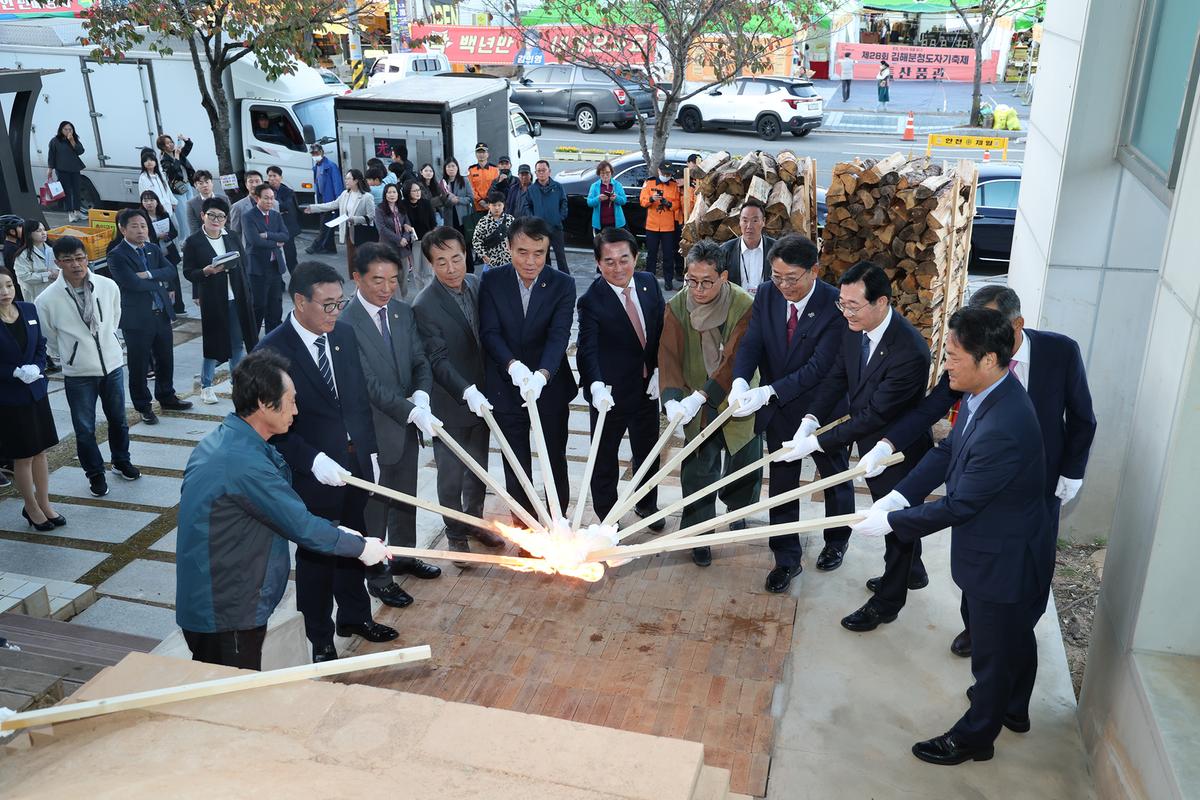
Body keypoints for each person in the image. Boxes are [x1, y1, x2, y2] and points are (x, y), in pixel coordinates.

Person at [850, 307, 1054, 766]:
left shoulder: (1005, 425)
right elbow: (948, 451)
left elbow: (961, 505)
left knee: (992, 652)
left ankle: (976, 736)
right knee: (1012, 637)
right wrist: (899, 496)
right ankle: (1013, 708)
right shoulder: (987, 396)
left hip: (1003, 556)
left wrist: (894, 523)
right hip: (1003, 545)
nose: (946, 366)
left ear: (988, 360)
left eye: (954, 357)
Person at [861, 285, 1096, 658]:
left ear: (1015, 325)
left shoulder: (1059, 352)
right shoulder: (971, 364)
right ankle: (978, 628)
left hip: (1042, 481)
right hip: (981, 481)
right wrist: (888, 448)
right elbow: (933, 414)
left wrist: (1073, 470)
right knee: (978, 560)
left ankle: (1014, 637)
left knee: (1030, 566)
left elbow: (1082, 417)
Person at [175, 349, 391, 670]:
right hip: (226, 613)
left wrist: (338, 534)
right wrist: (361, 548)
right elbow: (302, 527)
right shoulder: (243, 463)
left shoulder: (228, 443)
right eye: (290, 401)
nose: (296, 410)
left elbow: (277, 512)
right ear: (264, 403)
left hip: (217, 601)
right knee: (231, 702)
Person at [255, 261, 398, 662]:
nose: (337, 312)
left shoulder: (343, 335)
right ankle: (319, 635)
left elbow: (355, 401)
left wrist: (367, 453)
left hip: (352, 467)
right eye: (328, 305)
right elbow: (268, 424)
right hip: (310, 474)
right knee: (317, 557)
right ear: (300, 302)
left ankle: (355, 617)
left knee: (355, 542)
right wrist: (312, 458)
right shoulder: (271, 351)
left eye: (340, 303)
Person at [797, 261, 932, 631]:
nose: (846, 312)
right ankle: (913, 572)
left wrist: (817, 443)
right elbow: (837, 377)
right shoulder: (854, 328)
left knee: (897, 526)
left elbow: (874, 415)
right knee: (896, 523)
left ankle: (887, 603)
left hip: (898, 449)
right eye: (842, 303)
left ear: (882, 302)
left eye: (853, 305)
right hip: (872, 445)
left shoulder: (909, 351)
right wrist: (811, 419)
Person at [728, 234, 853, 592]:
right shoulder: (768, 293)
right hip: (780, 410)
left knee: (834, 476)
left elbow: (820, 366)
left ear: (815, 270)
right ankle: (786, 558)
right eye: (777, 276)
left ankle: (837, 538)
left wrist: (769, 390)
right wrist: (740, 380)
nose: (784, 285)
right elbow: (753, 340)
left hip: (823, 408)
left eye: (792, 278)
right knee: (782, 484)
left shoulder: (834, 304)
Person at [344, 242, 442, 609]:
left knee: (405, 495)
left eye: (393, 280)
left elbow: (419, 359)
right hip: (373, 431)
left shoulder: (402, 312)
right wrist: (408, 409)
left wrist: (422, 395)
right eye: (377, 280)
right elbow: (367, 383)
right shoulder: (345, 323)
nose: (387, 289)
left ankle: (403, 555)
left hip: (406, 425)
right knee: (376, 506)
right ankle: (378, 576)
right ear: (357, 278)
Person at [659, 239, 762, 567]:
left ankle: (737, 508)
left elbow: (736, 358)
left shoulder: (743, 304)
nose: (698, 289)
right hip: (694, 402)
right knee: (698, 468)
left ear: (724, 276)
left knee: (744, 461)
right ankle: (699, 530)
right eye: (692, 280)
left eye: (707, 282)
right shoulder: (677, 306)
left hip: (736, 396)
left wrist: (703, 394)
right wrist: (673, 399)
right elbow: (669, 355)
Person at [412, 226, 504, 561]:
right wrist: (467, 392)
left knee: (479, 466)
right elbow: (436, 360)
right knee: (450, 473)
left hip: (483, 398)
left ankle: (475, 521)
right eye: (441, 262)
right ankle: (454, 533)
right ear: (430, 265)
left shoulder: (478, 286)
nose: (451, 268)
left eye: (456, 258)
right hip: (450, 400)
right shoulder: (424, 304)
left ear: (467, 254)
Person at [478, 216, 577, 518]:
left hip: (549, 387)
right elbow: (490, 332)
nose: (531, 261)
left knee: (554, 458)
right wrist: (514, 367)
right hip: (506, 386)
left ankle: (557, 523)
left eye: (539, 253)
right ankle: (526, 528)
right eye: (522, 252)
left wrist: (542, 375)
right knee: (516, 461)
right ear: (508, 248)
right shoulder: (492, 280)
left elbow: (560, 335)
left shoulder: (563, 284)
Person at [35, 236, 140, 498]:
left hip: (112, 364)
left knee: (119, 419)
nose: (76, 264)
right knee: (84, 428)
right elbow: (49, 337)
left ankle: (121, 460)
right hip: (79, 372)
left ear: (87, 258)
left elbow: (114, 317)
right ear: (58, 263)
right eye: (68, 260)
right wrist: (73, 355)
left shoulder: (106, 285)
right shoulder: (47, 299)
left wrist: (109, 344)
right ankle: (95, 474)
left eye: (80, 258)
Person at [576, 227, 665, 526]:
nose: (618, 268)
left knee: (648, 450)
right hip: (609, 395)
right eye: (609, 261)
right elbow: (586, 349)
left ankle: (647, 504)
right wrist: (596, 386)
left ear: (636, 258)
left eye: (624, 259)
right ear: (598, 264)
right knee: (604, 458)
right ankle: (608, 516)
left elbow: (662, 332)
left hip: (646, 388)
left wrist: (659, 369)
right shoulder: (591, 300)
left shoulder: (649, 284)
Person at [106, 208, 193, 425]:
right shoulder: (117, 254)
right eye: (135, 226)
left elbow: (171, 271)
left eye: (143, 226)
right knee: (139, 364)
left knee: (165, 358)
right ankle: (143, 406)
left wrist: (149, 275)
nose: (140, 230)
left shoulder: (153, 249)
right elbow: (131, 283)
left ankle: (167, 396)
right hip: (136, 318)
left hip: (160, 313)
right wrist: (157, 280)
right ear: (123, 228)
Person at [0, 271, 62, 531]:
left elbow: (40, 345)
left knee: (41, 451)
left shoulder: (27, 309)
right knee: (23, 456)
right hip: (10, 397)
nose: (5, 291)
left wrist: (37, 368)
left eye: (8, 285)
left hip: (35, 391)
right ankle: (31, 507)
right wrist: (13, 372)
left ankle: (44, 502)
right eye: (0, 288)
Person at [182, 197, 258, 405]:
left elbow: (243, 264)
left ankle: (237, 383)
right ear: (203, 216)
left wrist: (248, 292)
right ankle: (206, 386)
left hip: (236, 296)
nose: (216, 220)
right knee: (213, 343)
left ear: (226, 219)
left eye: (221, 216)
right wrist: (205, 272)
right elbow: (188, 272)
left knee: (236, 343)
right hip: (214, 299)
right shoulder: (194, 242)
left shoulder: (231, 236)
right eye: (212, 215)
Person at [304, 168, 376, 277]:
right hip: (349, 231)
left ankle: (364, 284)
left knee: (363, 261)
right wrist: (313, 208)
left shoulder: (367, 197)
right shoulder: (344, 194)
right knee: (352, 262)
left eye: (348, 179)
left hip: (362, 233)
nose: (346, 181)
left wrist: (354, 219)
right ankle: (357, 286)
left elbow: (371, 216)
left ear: (356, 180)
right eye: (345, 179)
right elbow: (332, 205)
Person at [242, 182, 290, 334]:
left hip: (275, 266)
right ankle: (252, 338)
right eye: (266, 198)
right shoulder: (248, 217)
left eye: (272, 198)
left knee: (275, 306)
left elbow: (286, 235)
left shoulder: (275, 215)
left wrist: (268, 235)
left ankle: (273, 338)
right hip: (257, 268)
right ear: (257, 198)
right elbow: (254, 241)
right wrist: (276, 243)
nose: (270, 201)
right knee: (259, 305)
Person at [140, 190, 186, 315]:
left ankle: (179, 307)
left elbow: (174, 232)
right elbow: (145, 236)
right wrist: (157, 236)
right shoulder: (142, 217)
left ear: (157, 201)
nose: (148, 203)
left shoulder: (163, 214)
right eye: (145, 200)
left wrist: (166, 236)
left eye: (151, 200)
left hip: (169, 251)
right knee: (161, 280)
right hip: (155, 253)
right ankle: (165, 307)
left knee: (174, 279)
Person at [640, 162, 683, 289]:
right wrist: (652, 199)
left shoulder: (674, 185)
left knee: (668, 255)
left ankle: (668, 281)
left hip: (668, 227)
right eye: (664, 173)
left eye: (668, 174)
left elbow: (677, 205)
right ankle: (649, 280)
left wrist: (668, 203)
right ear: (659, 171)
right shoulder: (649, 183)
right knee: (651, 255)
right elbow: (642, 201)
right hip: (652, 226)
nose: (666, 176)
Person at [720, 203, 775, 293]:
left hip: (768, 304)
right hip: (737, 304)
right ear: (739, 222)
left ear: (763, 221)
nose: (749, 226)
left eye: (755, 220)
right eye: (745, 221)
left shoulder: (775, 249)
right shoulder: (726, 250)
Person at [528, 160, 570, 274]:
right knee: (543, 257)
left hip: (556, 227)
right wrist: (533, 220)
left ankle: (565, 280)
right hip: (540, 229)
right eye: (539, 171)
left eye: (544, 170)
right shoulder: (532, 189)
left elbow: (564, 202)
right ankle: (546, 279)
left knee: (560, 256)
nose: (541, 173)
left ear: (549, 171)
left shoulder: (558, 187)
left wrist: (560, 217)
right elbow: (528, 206)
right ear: (535, 173)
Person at [374, 183, 416, 296]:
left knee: (403, 277)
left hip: (403, 248)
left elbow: (407, 224)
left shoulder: (401, 208)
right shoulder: (380, 209)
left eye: (394, 192)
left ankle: (403, 301)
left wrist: (405, 238)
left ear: (398, 194)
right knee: (391, 277)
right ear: (385, 194)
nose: (392, 195)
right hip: (388, 248)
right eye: (389, 192)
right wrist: (399, 240)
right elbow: (382, 229)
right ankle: (395, 304)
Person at [307, 145, 344, 255]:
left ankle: (315, 246)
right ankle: (329, 247)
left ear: (322, 152)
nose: (315, 155)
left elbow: (337, 184)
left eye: (316, 153)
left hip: (331, 200)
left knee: (325, 225)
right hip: (322, 199)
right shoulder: (317, 167)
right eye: (313, 154)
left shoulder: (331, 166)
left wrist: (338, 201)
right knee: (327, 224)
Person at [46, 121, 86, 223]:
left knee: (77, 190)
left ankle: (77, 211)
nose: (68, 131)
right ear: (61, 130)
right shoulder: (55, 141)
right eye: (66, 129)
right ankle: (70, 213)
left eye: (70, 129)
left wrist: (72, 141)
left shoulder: (74, 139)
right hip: (62, 169)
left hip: (75, 168)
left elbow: (80, 151)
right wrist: (50, 169)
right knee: (67, 191)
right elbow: (51, 156)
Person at [157, 133, 195, 239]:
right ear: (163, 147)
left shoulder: (177, 152)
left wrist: (185, 139)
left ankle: (192, 236)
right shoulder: (164, 160)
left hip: (186, 184)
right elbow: (174, 171)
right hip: (177, 188)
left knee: (191, 211)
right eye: (167, 143)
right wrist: (177, 156)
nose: (171, 145)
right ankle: (184, 239)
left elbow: (189, 146)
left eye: (171, 142)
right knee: (183, 215)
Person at [266, 165, 303, 274]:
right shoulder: (265, 190)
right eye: (269, 176)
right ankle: (279, 283)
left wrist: (272, 203)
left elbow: (286, 207)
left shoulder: (287, 191)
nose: (272, 179)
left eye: (274, 176)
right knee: (274, 256)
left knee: (290, 255)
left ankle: (296, 280)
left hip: (287, 228)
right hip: (271, 227)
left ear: (280, 177)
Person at [403, 179, 437, 293]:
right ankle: (420, 295)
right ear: (408, 192)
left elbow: (433, 223)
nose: (418, 193)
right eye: (414, 191)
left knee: (428, 271)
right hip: (413, 243)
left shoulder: (426, 203)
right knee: (417, 272)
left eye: (419, 190)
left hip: (427, 240)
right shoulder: (403, 205)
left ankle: (430, 295)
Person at [12, 220, 58, 301]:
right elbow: (24, 276)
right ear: (29, 234)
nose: (43, 233)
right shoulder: (23, 255)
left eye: (44, 230)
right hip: (36, 294)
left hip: (55, 291)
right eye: (38, 231)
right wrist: (48, 275)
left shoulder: (53, 249)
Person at [466, 143, 499, 253]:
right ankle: (479, 255)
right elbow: (470, 188)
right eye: (479, 152)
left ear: (487, 154)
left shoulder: (495, 169)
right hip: (478, 207)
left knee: (492, 231)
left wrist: (488, 201)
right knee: (479, 232)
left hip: (492, 206)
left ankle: (491, 252)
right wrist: (480, 200)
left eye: (483, 152)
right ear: (476, 154)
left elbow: (496, 187)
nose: (481, 155)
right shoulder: (471, 170)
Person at [471, 191, 514, 269]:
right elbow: (476, 241)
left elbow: (517, 237)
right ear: (489, 205)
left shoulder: (510, 219)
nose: (497, 208)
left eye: (499, 205)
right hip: (491, 262)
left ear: (503, 205)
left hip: (509, 261)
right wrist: (484, 256)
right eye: (494, 205)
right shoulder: (483, 222)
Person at [137, 148, 178, 228]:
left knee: (175, 228)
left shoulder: (159, 175)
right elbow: (145, 196)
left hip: (168, 207)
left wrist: (173, 201)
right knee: (163, 232)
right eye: (146, 161)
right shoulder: (143, 178)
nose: (149, 162)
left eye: (151, 160)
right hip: (158, 210)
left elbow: (167, 190)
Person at [586, 160, 628, 238]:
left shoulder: (617, 185)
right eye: (602, 173)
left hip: (616, 223)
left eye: (607, 173)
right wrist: (598, 199)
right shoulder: (594, 186)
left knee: (615, 246)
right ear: (599, 174)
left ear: (611, 172)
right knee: (601, 246)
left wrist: (616, 198)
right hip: (600, 224)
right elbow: (589, 202)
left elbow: (624, 201)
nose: (605, 176)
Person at [226, 170, 263, 244]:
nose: (254, 185)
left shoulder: (274, 203)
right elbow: (235, 233)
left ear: (262, 183)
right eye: (251, 182)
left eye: (257, 181)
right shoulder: (237, 207)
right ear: (246, 184)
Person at [186, 170, 220, 239]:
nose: (205, 185)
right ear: (195, 185)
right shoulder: (191, 204)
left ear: (212, 183)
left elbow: (229, 221)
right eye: (201, 183)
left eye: (207, 182)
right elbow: (193, 228)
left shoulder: (223, 199)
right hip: (204, 239)